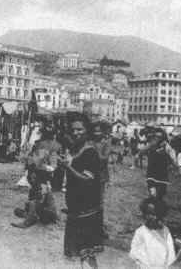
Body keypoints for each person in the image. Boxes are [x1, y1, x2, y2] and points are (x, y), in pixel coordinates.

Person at [60, 114, 102, 269]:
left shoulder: (90, 152)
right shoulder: (77, 149)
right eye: (73, 130)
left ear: (87, 131)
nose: (76, 133)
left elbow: (87, 179)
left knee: (86, 253)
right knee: (75, 253)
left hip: (87, 209)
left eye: (80, 129)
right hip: (75, 207)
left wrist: (68, 167)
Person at [130, 197, 176, 269]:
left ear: (161, 215)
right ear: (144, 214)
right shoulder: (141, 232)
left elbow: (170, 255)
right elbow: (134, 252)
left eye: (155, 214)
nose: (152, 217)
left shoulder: (166, 232)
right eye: (148, 214)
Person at [144, 129, 177, 201]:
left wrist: (175, 167)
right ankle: (150, 204)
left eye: (159, 137)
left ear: (163, 137)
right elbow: (143, 150)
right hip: (151, 171)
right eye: (156, 136)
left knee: (161, 194)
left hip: (162, 173)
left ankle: (157, 206)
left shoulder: (167, 146)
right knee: (152, 192)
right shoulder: (151, 144)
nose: (157, 138)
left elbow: (173, 158)